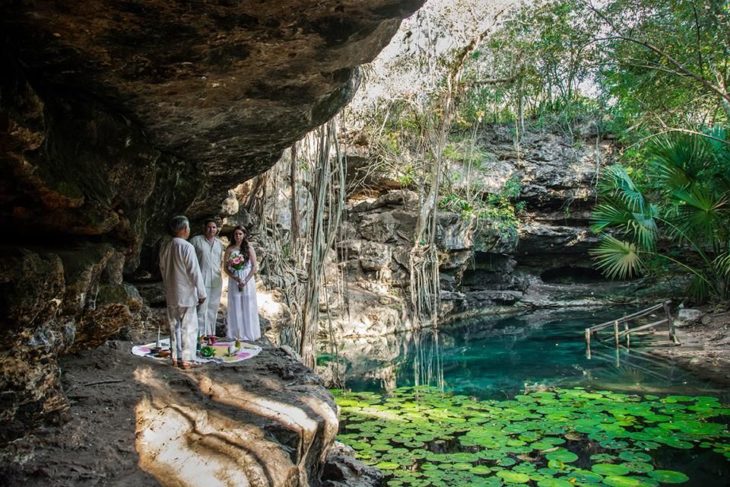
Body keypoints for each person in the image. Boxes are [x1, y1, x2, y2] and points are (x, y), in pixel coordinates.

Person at [159, 215, 206, 369]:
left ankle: (175, 357)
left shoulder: (167, 247)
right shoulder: (186, 247)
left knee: (174, 327)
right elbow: (194, 272)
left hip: (172, 292)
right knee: (189, 327)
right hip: (186, 293)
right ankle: (186, 360)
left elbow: (163, 268)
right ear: (184, 229)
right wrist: (201, 293)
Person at [224, 225, 261, 341]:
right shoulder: (229, 249)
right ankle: (237, 333)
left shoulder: (249, 248)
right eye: (236, 234)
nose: (238, 236)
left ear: (244, 235)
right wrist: (236, 278)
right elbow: (225, 268)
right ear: (233, 235)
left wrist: (245, 280)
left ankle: (249, 333)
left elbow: (254, 266)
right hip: (235, 280)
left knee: (247, 304)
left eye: (240, 234)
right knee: (235, 304)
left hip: (247, 280)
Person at [190, 218, 224, 338]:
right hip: (201, 278)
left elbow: (220, 261)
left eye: (214, 227)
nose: (211, 229)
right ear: (204, 228)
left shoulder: (219, 244)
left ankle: (210, 333)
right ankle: (199, 335)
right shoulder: (195, 241)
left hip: (216, 279)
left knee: (213, 307)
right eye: (209, 227)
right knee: (201, 308)